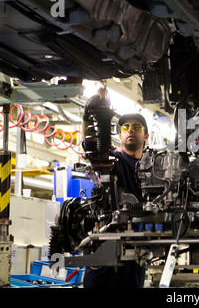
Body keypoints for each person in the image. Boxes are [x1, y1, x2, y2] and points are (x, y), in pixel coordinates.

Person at [81, 91, 149, 288]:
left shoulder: (155, 166)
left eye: (136, 127)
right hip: (105, 236)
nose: (130, 130)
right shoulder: (112, 160)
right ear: (119, 135)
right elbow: (90, 145)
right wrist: (87, 119)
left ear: (145, 135)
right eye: (126, 127)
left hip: (138, 242)